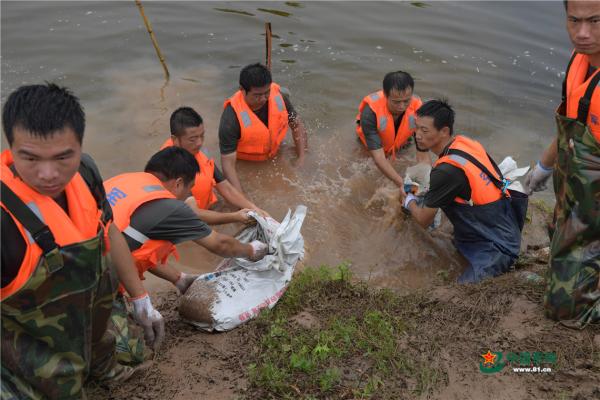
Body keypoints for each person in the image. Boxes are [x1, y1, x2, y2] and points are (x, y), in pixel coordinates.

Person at [0, 84, 147, 399]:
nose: (48, 174)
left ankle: (102, 364)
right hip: (29, 340)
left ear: (80, 146)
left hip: (92, 318)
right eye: (30, 158)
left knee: (134, 349)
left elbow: (109, 231)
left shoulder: (86, 171)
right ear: (10, 148)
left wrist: (141, 298)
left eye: (63, 156)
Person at [103, 147, 268, 359]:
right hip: (91, 285)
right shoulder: (169, 207)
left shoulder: (129, 181)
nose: (185, 198)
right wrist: (252, 250)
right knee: (132, 354)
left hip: (71, 261)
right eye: (188, 190)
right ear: (178, 183)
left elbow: (135, 250)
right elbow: (221, 244)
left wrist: (179, 279)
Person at [525, 0, 599, 326]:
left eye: (595, 21)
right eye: (574, 21)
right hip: (573, 190)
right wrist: (542, 167)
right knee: (557, 243)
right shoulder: (578, 61)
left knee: (564, 310)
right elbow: (571, 119)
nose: (582, 34)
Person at [402, 99, 527, 284]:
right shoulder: (466, 143)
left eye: (424, 130)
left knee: (457, 294)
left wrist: (408, 200)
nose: (417, 135)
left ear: (444, 131)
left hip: (497, 249)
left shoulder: (446, 171)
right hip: (507, 226)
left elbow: (422, 220)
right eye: (417, 128)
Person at [161, 107, 268, 224]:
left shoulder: (200, 153)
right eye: (192, 139)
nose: (199, 143)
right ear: (175, 140)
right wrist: (235, 217)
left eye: (202, 136)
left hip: (207, 207)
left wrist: (254, 208)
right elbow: (194, 214)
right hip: (187, 220)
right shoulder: (170, 166)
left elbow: (225, 187)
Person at [219, 63, 308, 193]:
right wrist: (242, 200)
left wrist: (302, 157)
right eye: (257, 95)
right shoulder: (231, 118)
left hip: (276, 151)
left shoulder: (279, 97)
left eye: (267, 93)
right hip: (248, 164)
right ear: (242, 90)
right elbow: (228, 165)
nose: (263, 99)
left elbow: (297, 124)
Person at [356, 71, 431, 189]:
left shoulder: (419, 111)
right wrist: (402, 184)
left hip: (401, 144)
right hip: (370, 147)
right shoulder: (370, 113)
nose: (402, 106)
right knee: (366, 175)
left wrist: (420, 184)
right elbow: (379, 158)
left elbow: (423, 156)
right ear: (386, 96)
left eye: (406, 101)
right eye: (396, 102)